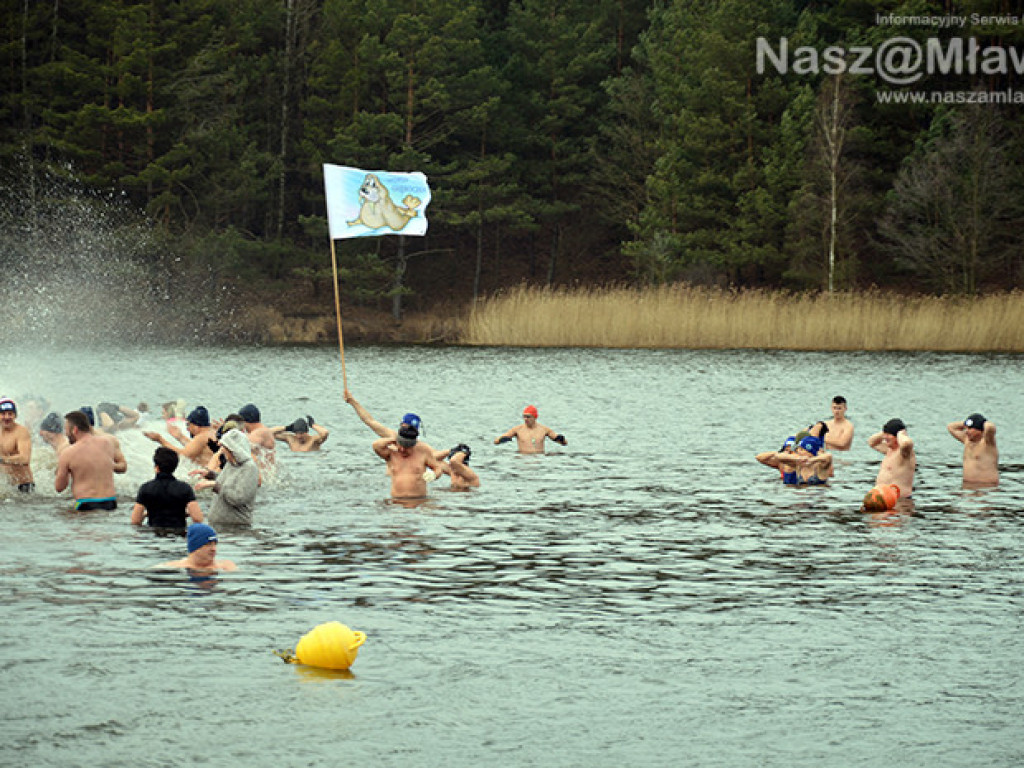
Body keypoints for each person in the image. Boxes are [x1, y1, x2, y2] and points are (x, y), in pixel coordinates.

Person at [55, 410, 127, 510]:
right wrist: (109, 465)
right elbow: (123, 467)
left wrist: (64, 470)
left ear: (75, 430)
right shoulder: (108, 443)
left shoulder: (67, 453)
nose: (65, 434)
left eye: (66, 430)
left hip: (85, 503)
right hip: (110, 502)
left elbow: (59, 487)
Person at [194, 428, 260, 527]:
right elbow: (226, 481)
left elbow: (238, 498)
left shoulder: (249, 468)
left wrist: (214, 485)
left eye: (224, 447)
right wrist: (210, 475)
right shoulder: (231, 464)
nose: (222, 450)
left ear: (233, 449)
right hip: (219, 526)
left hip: (236, 527)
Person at [131, 447, 204, 528]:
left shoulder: (145, 488)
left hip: (153, 533)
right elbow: (197, 519)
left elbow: (135, 520)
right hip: (178, 533)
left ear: (157, 467)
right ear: (175, 467)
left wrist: (146, 514)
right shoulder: (184, 488)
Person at [373, 425, 445, 500]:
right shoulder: (391, 454)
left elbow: (438, 468)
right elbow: (376, 445)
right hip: (396, 501)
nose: (402, 449)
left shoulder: (423, 452)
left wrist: (434, 475)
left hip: (419, 500)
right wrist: (394, 439)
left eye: (407, 447)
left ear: (414, 445)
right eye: (400, 445)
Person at [144, 406, 216, 466]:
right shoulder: (211, 433)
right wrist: (180, 437)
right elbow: (194, 449)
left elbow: (183, 456)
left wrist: (160, 440)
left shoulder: (202, 437)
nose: (187, 429)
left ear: (196, 425)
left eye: (188, 425)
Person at [867, 418, 916, 498]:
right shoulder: (889, 449)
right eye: (885, 434)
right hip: (882, 499)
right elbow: (871, 442)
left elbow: (906, 443)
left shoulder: (905, 453)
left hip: (900, 501)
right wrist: (885, 432)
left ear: (897, 437)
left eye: (889, 435)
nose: (885, 437)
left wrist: (901, 433)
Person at [157, 523, 237, 571]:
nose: (214, 549)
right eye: (208, 544)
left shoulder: (226, 566)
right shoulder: (173, 567)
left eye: (215, 544)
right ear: (195, 547)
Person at [947, 413, 998, 486]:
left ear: (980, 431)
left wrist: (980, 422)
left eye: (970, 429)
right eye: (966, 428)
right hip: (967, 486)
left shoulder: (988, 443)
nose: (966, 431)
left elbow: (990, 427)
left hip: (987, 488)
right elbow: (951, 427)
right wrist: (967, 422)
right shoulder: (966, 440)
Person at [760, 435, 833, 485]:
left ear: (810, 451)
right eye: (798, 449)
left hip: (817, 501)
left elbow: (828, 456)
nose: (798, 452)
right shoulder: (798, 464)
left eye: (802, 449)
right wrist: (797, 459)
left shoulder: (820, 466)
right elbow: (778, 456)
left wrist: (812, 460)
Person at [494, 405, 566, 454]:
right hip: (522, 458)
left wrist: (561, 439)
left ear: (535, 417)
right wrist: (501, 440)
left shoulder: (544, 429)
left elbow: (563, 443)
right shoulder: (517, 429)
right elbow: (496, 441)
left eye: (528, 417)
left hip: (540, 458)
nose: (525, 419)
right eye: (524, 417)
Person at [0, 397, 35, 492]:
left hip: (23, 486)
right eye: (3, 414)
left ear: (15, 416)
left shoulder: (21, 432)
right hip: (7, 487)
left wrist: (2, 459)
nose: (7, 417)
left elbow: (25, 458)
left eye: (10, 414)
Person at [238, 403, 276, 469]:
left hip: (263, 474)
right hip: (267, 473)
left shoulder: (260, 432)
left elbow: (246, 444)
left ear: (244, 421)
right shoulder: (263, 430)